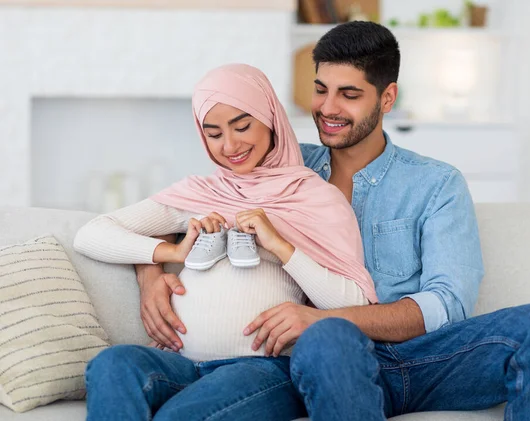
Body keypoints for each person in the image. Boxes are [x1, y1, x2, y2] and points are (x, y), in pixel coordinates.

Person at [135, 21, 530, 421]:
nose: (328, 108)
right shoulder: (275, 165)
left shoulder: (436, 183)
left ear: (387, 96)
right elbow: (168, 211)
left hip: (427, 362)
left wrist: (323, 318)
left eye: (349, 94)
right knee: (328, 340)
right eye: (320, 89)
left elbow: (447, 305)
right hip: (319, 362)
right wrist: (149, 275)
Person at [73, 63, 378, 420]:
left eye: (242, 126)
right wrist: (168, 252)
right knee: (111, 365)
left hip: (260, 369)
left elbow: (354, 303)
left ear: (270, 119)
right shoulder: (200, 194)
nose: (230, 145)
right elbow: (90, 234)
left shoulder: (316, 198)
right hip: (180, 364)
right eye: (214, 133)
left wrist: (279, 244)